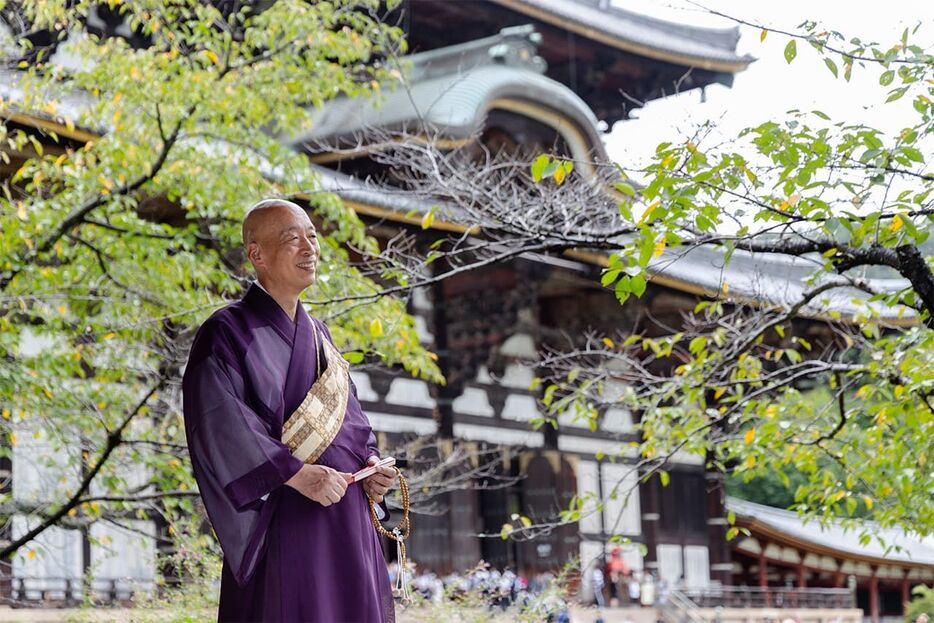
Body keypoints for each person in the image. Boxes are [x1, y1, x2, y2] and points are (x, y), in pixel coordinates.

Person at [183, 198, 397, 622]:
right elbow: (221, 428)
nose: (309, 248)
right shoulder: (226, 333)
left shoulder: (320, 336)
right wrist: (298, 475)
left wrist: (372, 467)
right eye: (292, 239)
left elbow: (352, 425)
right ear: (256, 254)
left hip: (345, 513)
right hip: (286, 517)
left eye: (312, 238)